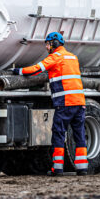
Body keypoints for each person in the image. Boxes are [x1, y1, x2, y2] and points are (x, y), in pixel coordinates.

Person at [13, 32, 88, 176]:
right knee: (79, 135)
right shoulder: (73, 57)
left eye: (48, 44)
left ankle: (57, 168)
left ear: (54, 43)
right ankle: (82, 168)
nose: (46, 47)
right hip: (80, 103)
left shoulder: (55, 57)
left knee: (58, 134)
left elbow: (35, 70)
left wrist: (18, 70)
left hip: (65, 103)